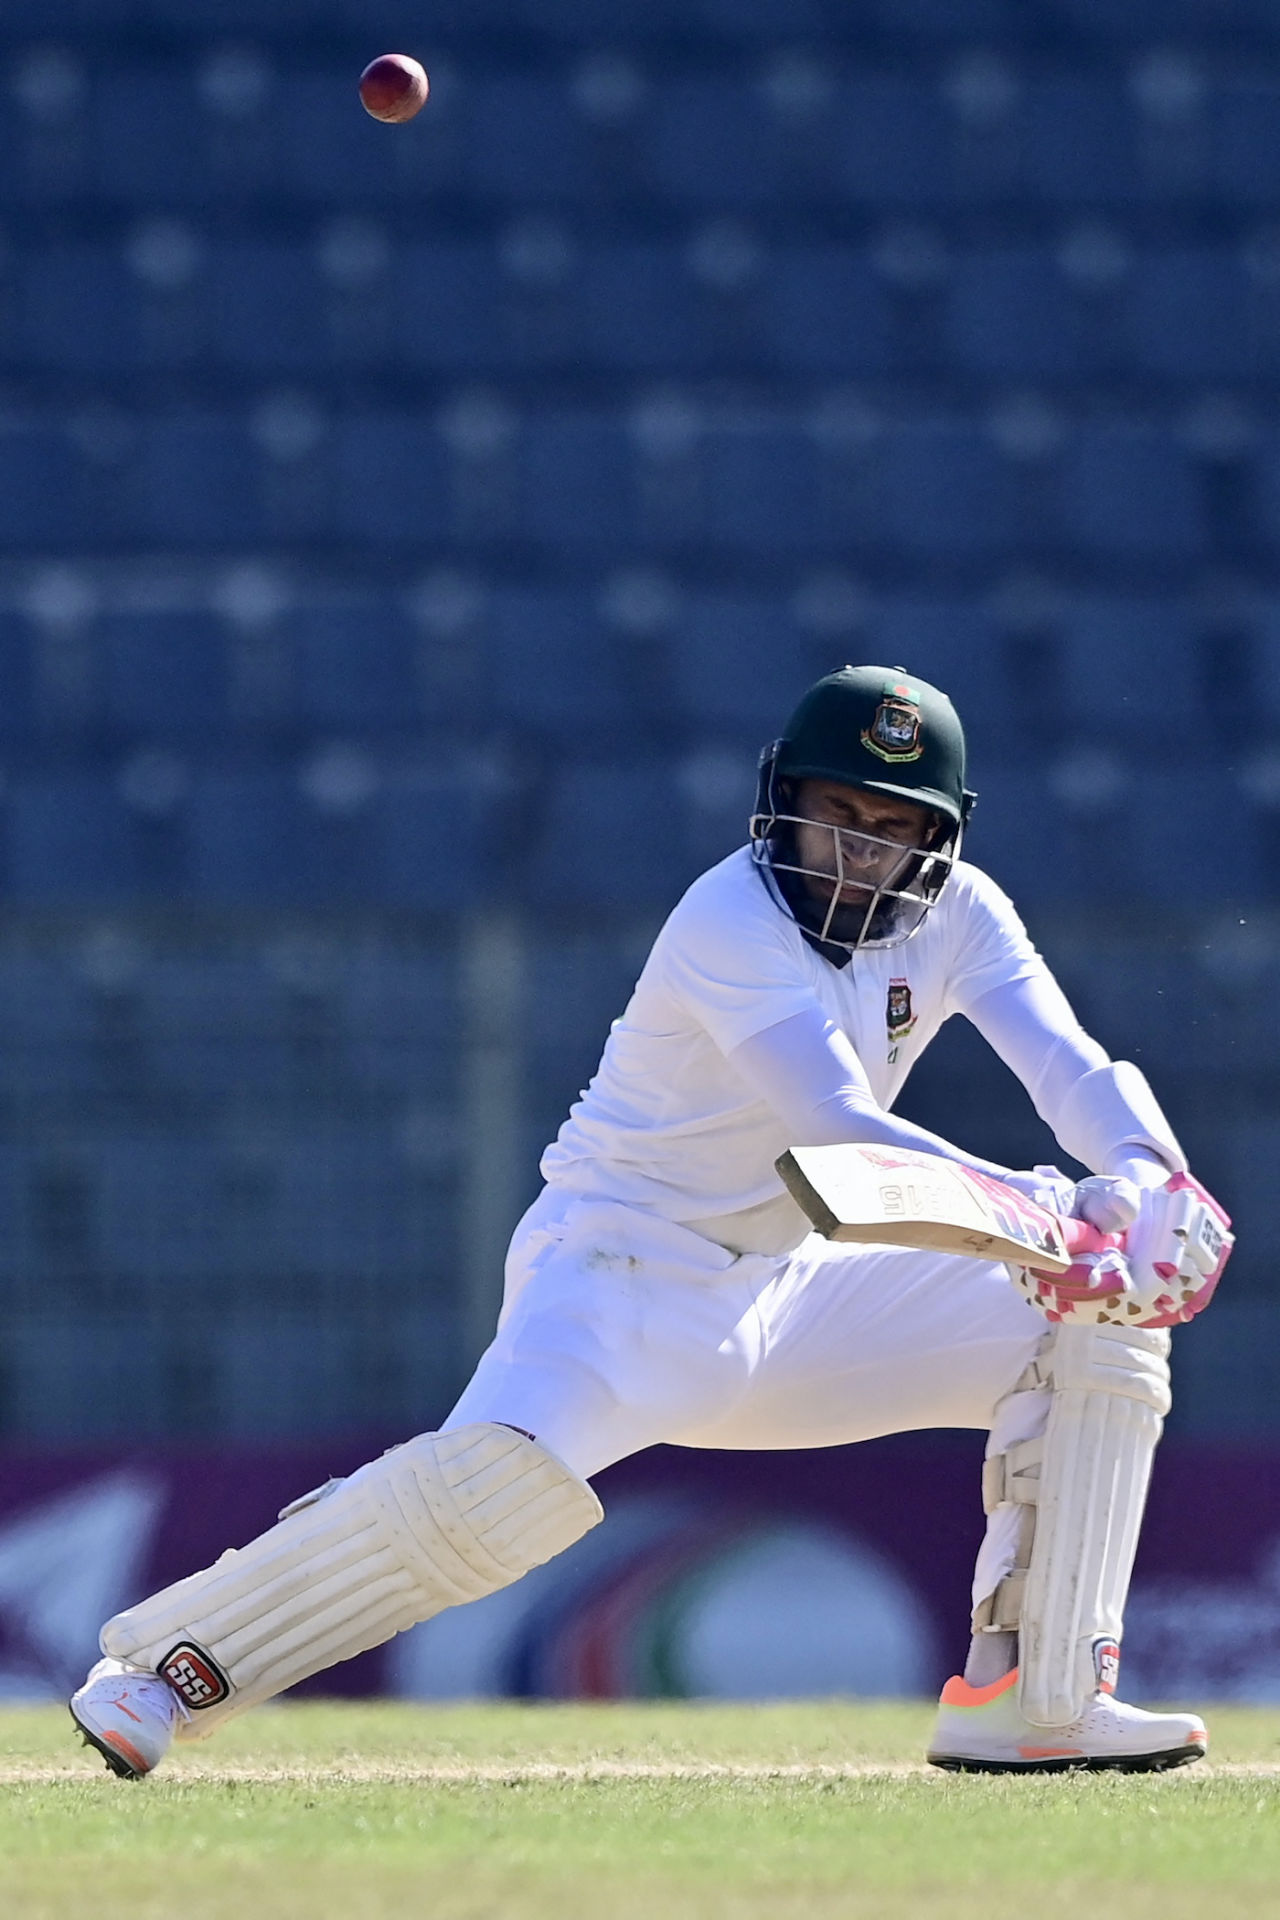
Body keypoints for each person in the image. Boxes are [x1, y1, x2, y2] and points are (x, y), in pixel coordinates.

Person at [70, 666, 1225, 1777]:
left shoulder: (961, 914)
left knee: (1097, 1324)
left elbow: (1067, 1065)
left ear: (938, 838)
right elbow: (834, 1129)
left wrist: (1149, 1178)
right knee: (481, 1503)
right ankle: (158, 1675)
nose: (858, 851)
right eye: (835, 815)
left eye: (891, 827)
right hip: (620, 1270)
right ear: (782, 801)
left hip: (789, 1289)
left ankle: (1034, 1702)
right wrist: (1056, 1218)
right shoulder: (730, 915)